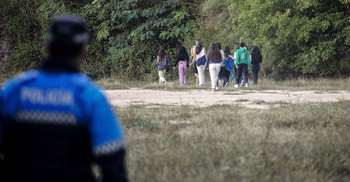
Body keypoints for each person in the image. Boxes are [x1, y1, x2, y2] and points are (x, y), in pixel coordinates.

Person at [0, 14, 128, 182]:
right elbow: (114, 166)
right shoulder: (89, 96)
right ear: (83, 49)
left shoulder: (14, 90)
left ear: (47, 45)